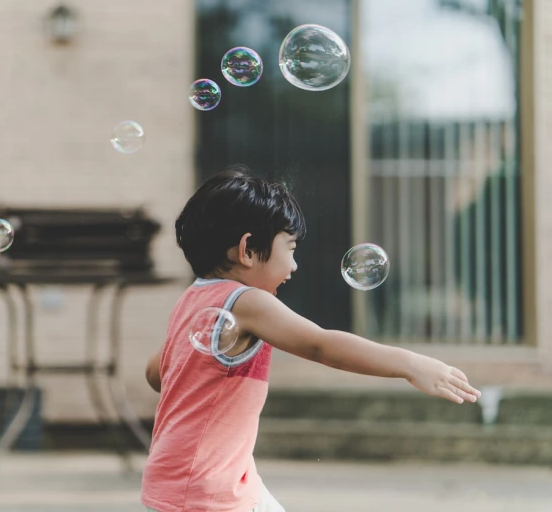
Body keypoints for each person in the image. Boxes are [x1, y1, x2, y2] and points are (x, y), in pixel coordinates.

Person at [141, 167, 480, 512]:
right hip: (204, 489)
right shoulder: (248, 302)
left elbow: (156, 374)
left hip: (194, 474)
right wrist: (410, 364)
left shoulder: (191, 300)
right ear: (246, 250)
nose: (295, 266)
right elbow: (321, 345)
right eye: (289, 248)